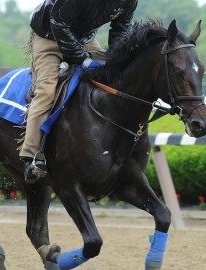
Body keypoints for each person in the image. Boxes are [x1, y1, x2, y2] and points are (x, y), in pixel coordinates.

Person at [20, 0, 138, 183]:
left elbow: (120, 29)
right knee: (47, 91)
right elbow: (58, 23)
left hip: (84, 38)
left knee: (114, 78)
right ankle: (31, 156)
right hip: (48, 35)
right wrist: (82, 59)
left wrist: (116, 62)